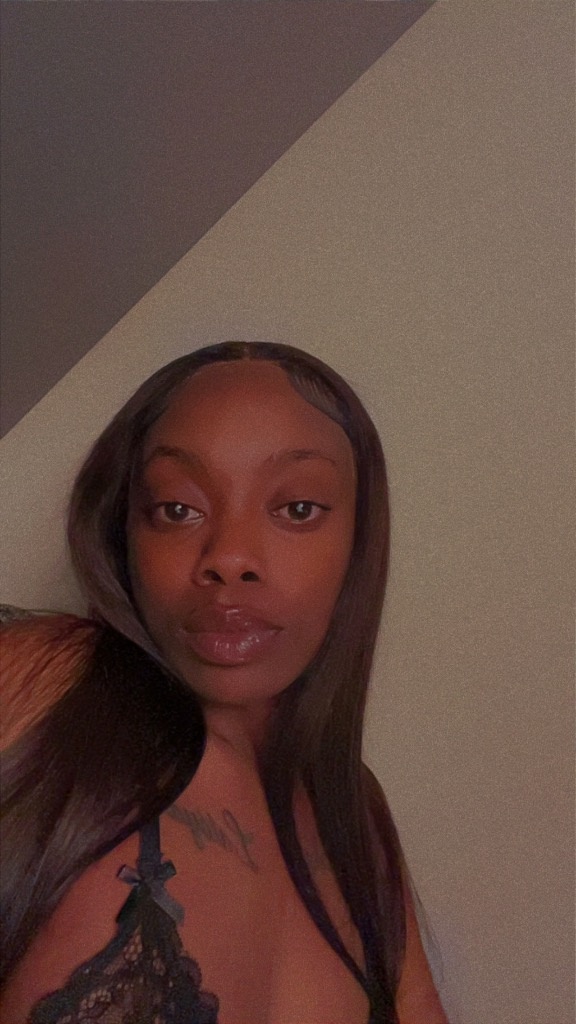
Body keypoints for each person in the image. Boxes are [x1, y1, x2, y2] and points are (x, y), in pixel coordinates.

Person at [0, 341, 448, 1024]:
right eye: (178, 509)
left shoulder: (354, 817)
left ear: (358, 546)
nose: (230, 557)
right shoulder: (48, 682)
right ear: (124, 535)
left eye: (297, 508)